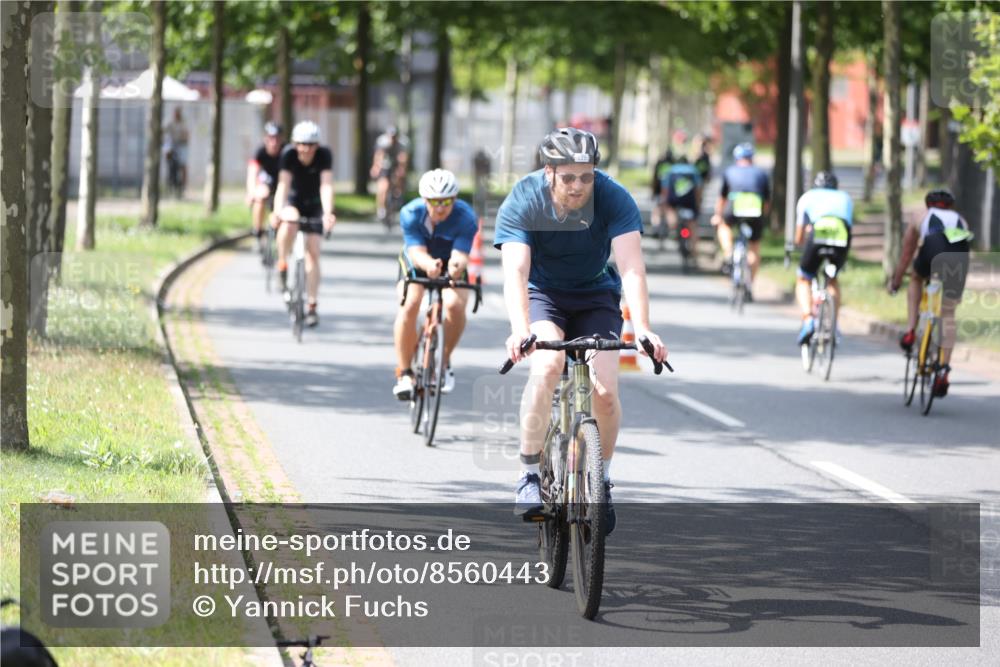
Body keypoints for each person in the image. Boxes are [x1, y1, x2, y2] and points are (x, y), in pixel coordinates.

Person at [494, 127, 668, 533]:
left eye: (586, 176)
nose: (577, 186)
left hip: (595, 296)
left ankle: (601, 480)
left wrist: (642, 327)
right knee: (548, 366)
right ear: (549, 172)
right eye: (568, 176)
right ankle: (529, 475)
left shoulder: (613, 197)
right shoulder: (524, 198)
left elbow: (631, 267)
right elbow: (516, 271)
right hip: (544, 296)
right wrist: (520, 329)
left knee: (605, 392)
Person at [392, 170, 479, 400]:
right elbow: (415, 251)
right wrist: (430, 265)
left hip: (451, 262)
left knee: (455, 305)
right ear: (424, 199)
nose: (440, 207)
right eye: (434, 202)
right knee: (410, 303)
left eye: (447, 201)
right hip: (418, 262)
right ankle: (405, 372)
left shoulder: (466, 216)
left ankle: (442, 360)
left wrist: (453, 269)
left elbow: (461, 255)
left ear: (455, 199)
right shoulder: (411, 213)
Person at [889, 189, 973, 397]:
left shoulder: (921, 216)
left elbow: (907, 253)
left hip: (932, 250)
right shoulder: (960, 219)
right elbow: (965, 250)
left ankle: (910, 330)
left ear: (929, 204)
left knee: (916, 278)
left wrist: (896, 281)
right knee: (948, 314)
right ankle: (943, 369)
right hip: (958, 257)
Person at [271, 120, 336, 328]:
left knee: (314, 252)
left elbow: (326, 185)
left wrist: (328, 213)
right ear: (294, 144)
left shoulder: (324, 155)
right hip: (294, 201)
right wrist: (277, 211)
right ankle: (282, 262)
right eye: (301, 144)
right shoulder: (288, 155)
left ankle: (312, 305)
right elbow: (283, 185)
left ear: (317, 145)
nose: (306, 149)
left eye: (310, 145)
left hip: (315, 204)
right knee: (288, 223)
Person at [794, 171, 854, 346]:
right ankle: (834, 325)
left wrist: (799, 243)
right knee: (832, 279)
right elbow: (849, 225)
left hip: (817, 235)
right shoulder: (845, 198)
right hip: (841, 237)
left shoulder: (807, 197)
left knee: (804, 278)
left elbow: (799, 236)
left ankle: (807, 320)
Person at [711, 142, 770, 297]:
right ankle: (750, 284)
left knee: (724, 225)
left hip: (734, 207)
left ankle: (729, 251)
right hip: (755, 209)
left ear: (737, 158)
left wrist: (717, 216)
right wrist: (763, 217)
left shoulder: (730, 171)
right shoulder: (761, 173)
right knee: (754, 247)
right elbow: (766, 201)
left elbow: (722, 198)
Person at [246, 122, 284, 252]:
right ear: (265, 139)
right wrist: (251, 192)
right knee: (260, 196)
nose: (274, 142)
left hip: (283, 186)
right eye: (270, 138)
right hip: (266, 185)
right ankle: (258, 232)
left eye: (277, 138)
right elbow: (252, 173)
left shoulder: (286, 152)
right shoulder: (260, 152)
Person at [662, 156, 703, 261]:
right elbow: (698, 189)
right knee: (692, 225)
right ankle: (694, 251)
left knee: (670, 211)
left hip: (674, 200)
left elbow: (665, 189)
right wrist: (698, 204)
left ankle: (673, 229)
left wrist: (666, 203)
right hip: (689, 202)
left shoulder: (671, 170)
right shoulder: (693, 171)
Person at [370, 126, 410, 225]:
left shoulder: (403, 142)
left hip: (396, 162)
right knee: (383, 187)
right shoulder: (382, 141)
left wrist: (401, 169)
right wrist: (376, 167)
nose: (393, 139)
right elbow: (379, 155)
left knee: (400, 175)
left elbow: (403, 158)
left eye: (394, 136)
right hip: (385, 163)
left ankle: (398, 193)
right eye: (391, 136)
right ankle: (381, 209)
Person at [650, 148, 675, 240]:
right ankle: (672, 230)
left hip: (658, 190)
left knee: (656, 211)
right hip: (671, 192)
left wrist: (652, 191)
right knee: (669, 210)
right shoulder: (674, 164)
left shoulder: (659, 163)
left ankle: (656, 228)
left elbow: (654, 178)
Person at [164, 107, 190, 197]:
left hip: (181, 146)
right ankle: (170, 184)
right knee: (170, 165)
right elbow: (164, 131)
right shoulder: (171, 123)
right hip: (173, 146)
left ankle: (183, 186)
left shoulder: (183, 123)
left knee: (183, 165)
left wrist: (183, 138)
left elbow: (186, 135)